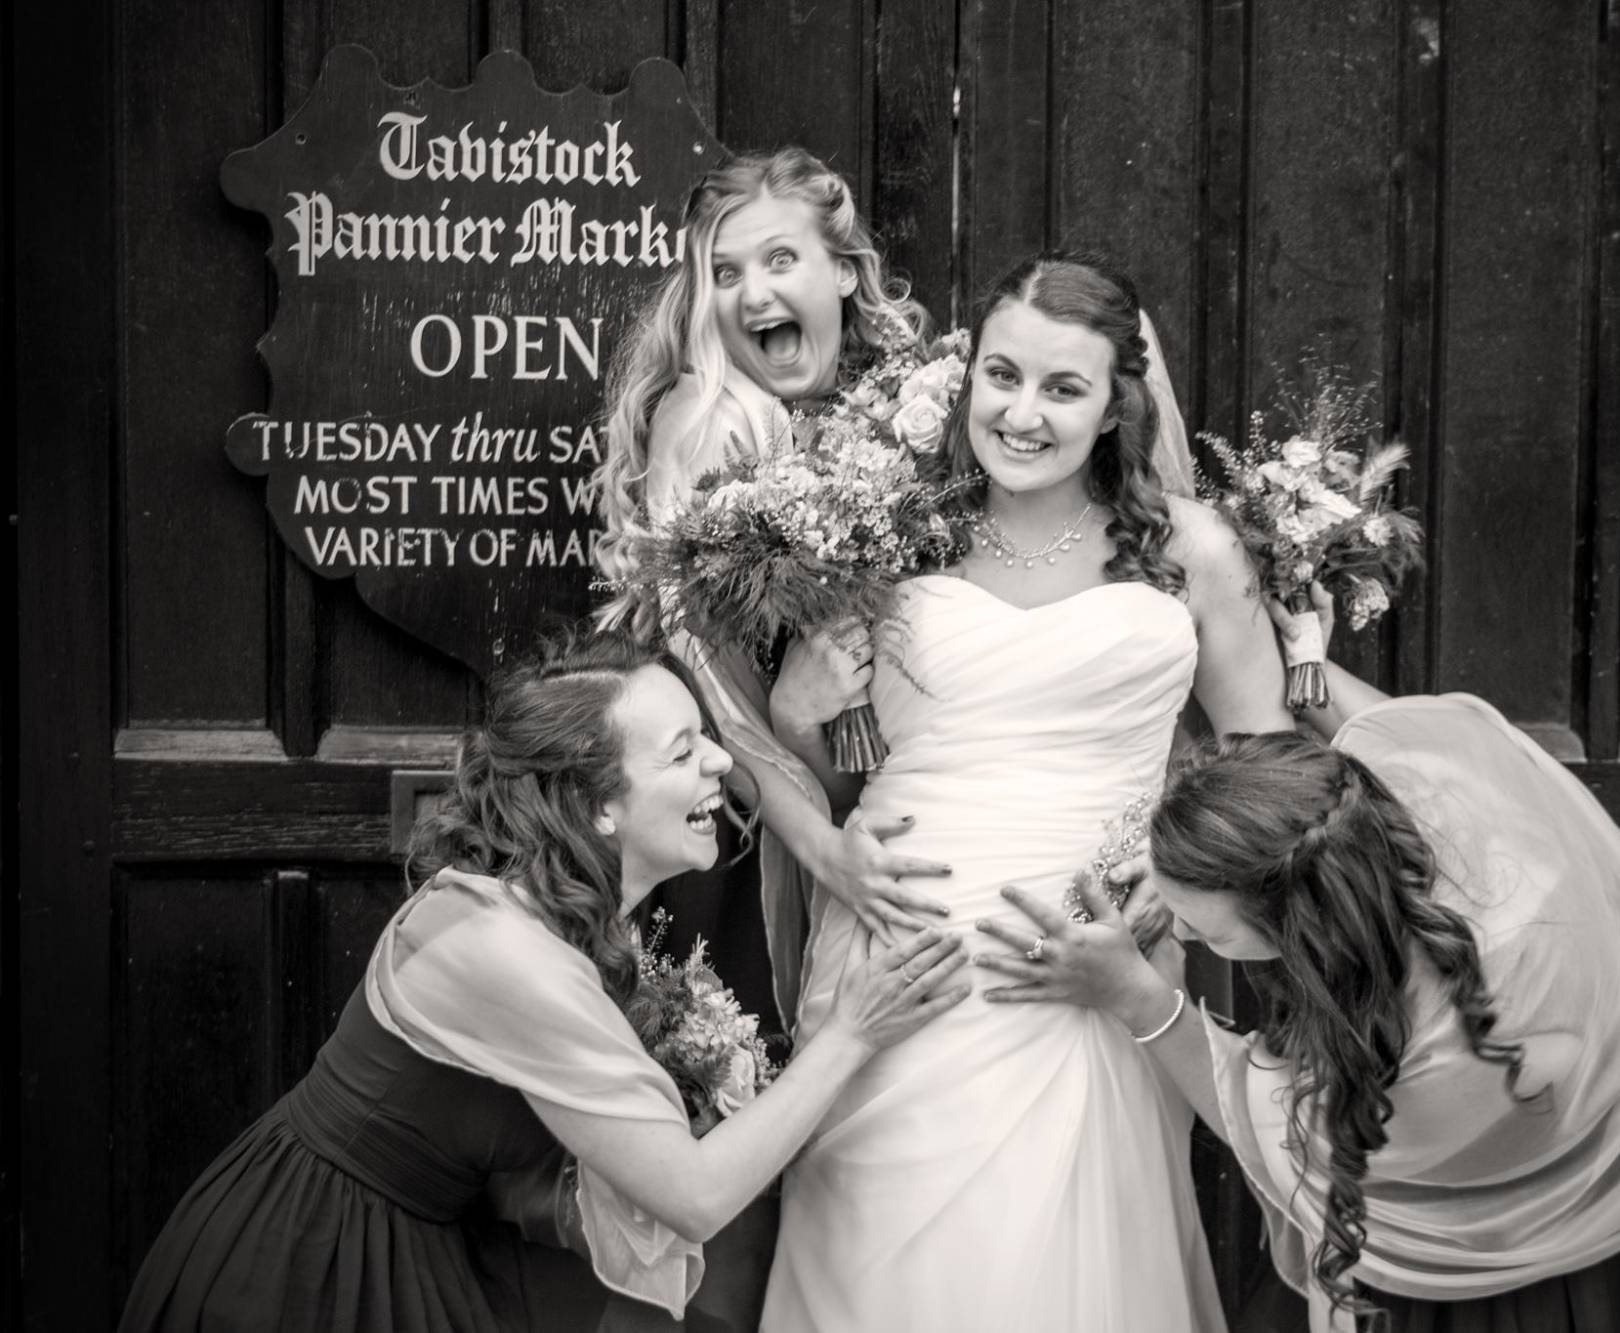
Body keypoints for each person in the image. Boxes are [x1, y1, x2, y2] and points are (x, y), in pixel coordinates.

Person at [119, 630, 970, 1333]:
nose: (721, 761)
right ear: (597, 804)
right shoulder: (509, 948)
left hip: (420, 1236)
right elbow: (696, 1193)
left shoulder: (566, 913)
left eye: (706, 736)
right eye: (683, 751)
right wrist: (852, 1030)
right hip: (309, 1261)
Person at [758, 253, 1299, 1332]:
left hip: (1085, 963)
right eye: (1002, 376)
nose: (1020, 413)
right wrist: (794, 714)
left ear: (1114, 406)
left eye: (1063, 388)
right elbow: (843, 777)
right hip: (900, 950)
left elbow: (1268, 766)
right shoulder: (892, 533)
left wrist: (1170, 871)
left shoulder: (1189, 550)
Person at [978, 639, 1620, 1333]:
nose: (1188, 936)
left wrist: (1138, 997)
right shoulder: (1393, 793)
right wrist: (1304, 663)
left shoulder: (1441, 1044)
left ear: (1299, 921)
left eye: (1208, 926)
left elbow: (1280, 1136)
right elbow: (1388, 732)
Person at [592, 146, 951, 1042]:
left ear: (844, 271)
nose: (753, 294)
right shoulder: (719, 419)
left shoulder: (892, 415)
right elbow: (719, 693)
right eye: (724, 273)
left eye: (780, 259)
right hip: (739, 840)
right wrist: (827, 847)